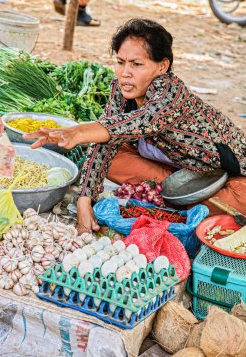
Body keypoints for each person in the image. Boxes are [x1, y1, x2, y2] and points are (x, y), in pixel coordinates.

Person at [23, 18, 246, 234]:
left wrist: (77, 132)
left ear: (162, 66)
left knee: (233, 202)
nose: (125, 72)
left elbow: (144, 121)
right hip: (174, 171)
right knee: (110, 156)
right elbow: (105, 142)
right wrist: (84, 202)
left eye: (137, 64)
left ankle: (174, 199)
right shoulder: (120, 90)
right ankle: (170, 196)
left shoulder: (172, 92)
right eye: (121, 62)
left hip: (219, 175)